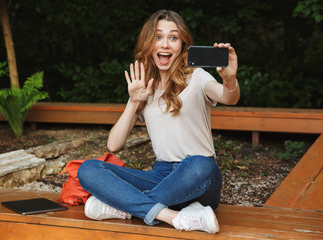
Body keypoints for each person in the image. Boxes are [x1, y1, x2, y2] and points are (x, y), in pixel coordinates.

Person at [77, 9, 239, 234]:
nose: (165, 44)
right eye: (158, 37)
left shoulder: (197, 76)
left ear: (182, 44)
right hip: (161, 177)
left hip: (198, 177)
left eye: (173, 37)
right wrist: (134, 102)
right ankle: (171, 216)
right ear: (148, 44)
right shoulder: (144, 89)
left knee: (201, 163)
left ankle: (125, 206)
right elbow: (113, 145)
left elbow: (228, 97)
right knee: (88, 169)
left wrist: (229, 79)